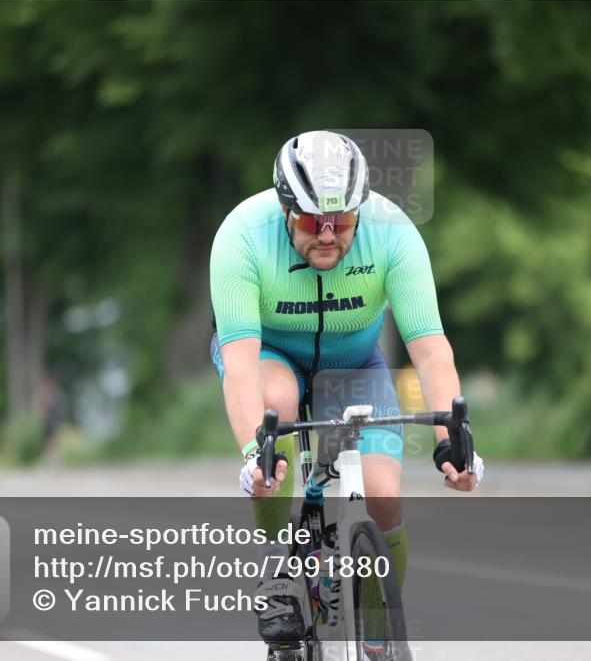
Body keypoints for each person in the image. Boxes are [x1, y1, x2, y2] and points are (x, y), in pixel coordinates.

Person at [208, 131, 485, 644]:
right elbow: (241, 364)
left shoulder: (393, 232)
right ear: (286, 210)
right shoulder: (242, 235)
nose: (330, 235)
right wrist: (254, 451)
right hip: (271, 358)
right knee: (278, 411)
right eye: (314, 222)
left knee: (383, 494)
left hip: (356, 364)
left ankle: (381, 634)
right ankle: (277, 573)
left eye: (343, 222)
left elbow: (429, 348)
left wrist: (455, 437)